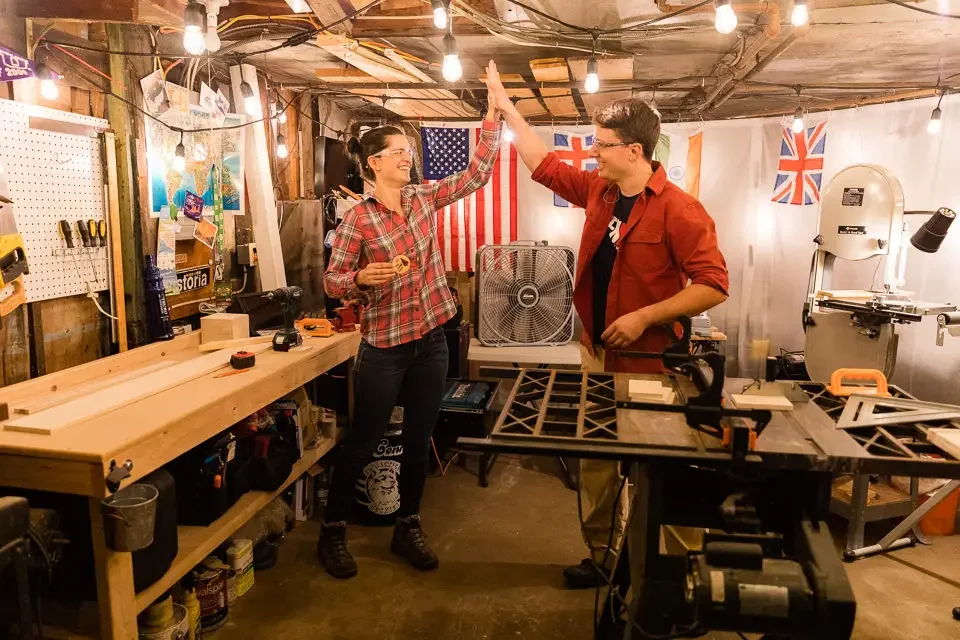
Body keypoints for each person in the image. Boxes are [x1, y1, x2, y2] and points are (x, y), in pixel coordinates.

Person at [484, 62, 729, 588]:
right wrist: (508, 109)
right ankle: (604, 556)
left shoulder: (682, 212)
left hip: (651, 365)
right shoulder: (601, 191)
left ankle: (674, 574)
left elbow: (713, 283)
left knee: (660, 469)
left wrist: (644, 316)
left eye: (601, 144)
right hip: (596, 354)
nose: (593, 152)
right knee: (597, 462)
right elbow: (544, 165)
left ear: (634, 151)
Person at [319, 103, 503, 579]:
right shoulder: (358, 219)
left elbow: (476, 176)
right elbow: (332, 282)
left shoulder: (423, 199)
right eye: (398, 151)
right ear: (374, 162)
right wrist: (359, 277)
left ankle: (408, 525)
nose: (408, 157)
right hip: (384, 347)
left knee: (419, 442)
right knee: (363, 442)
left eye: (409, 150)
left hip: (431, 340)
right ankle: (334, 529)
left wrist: (494, 114)